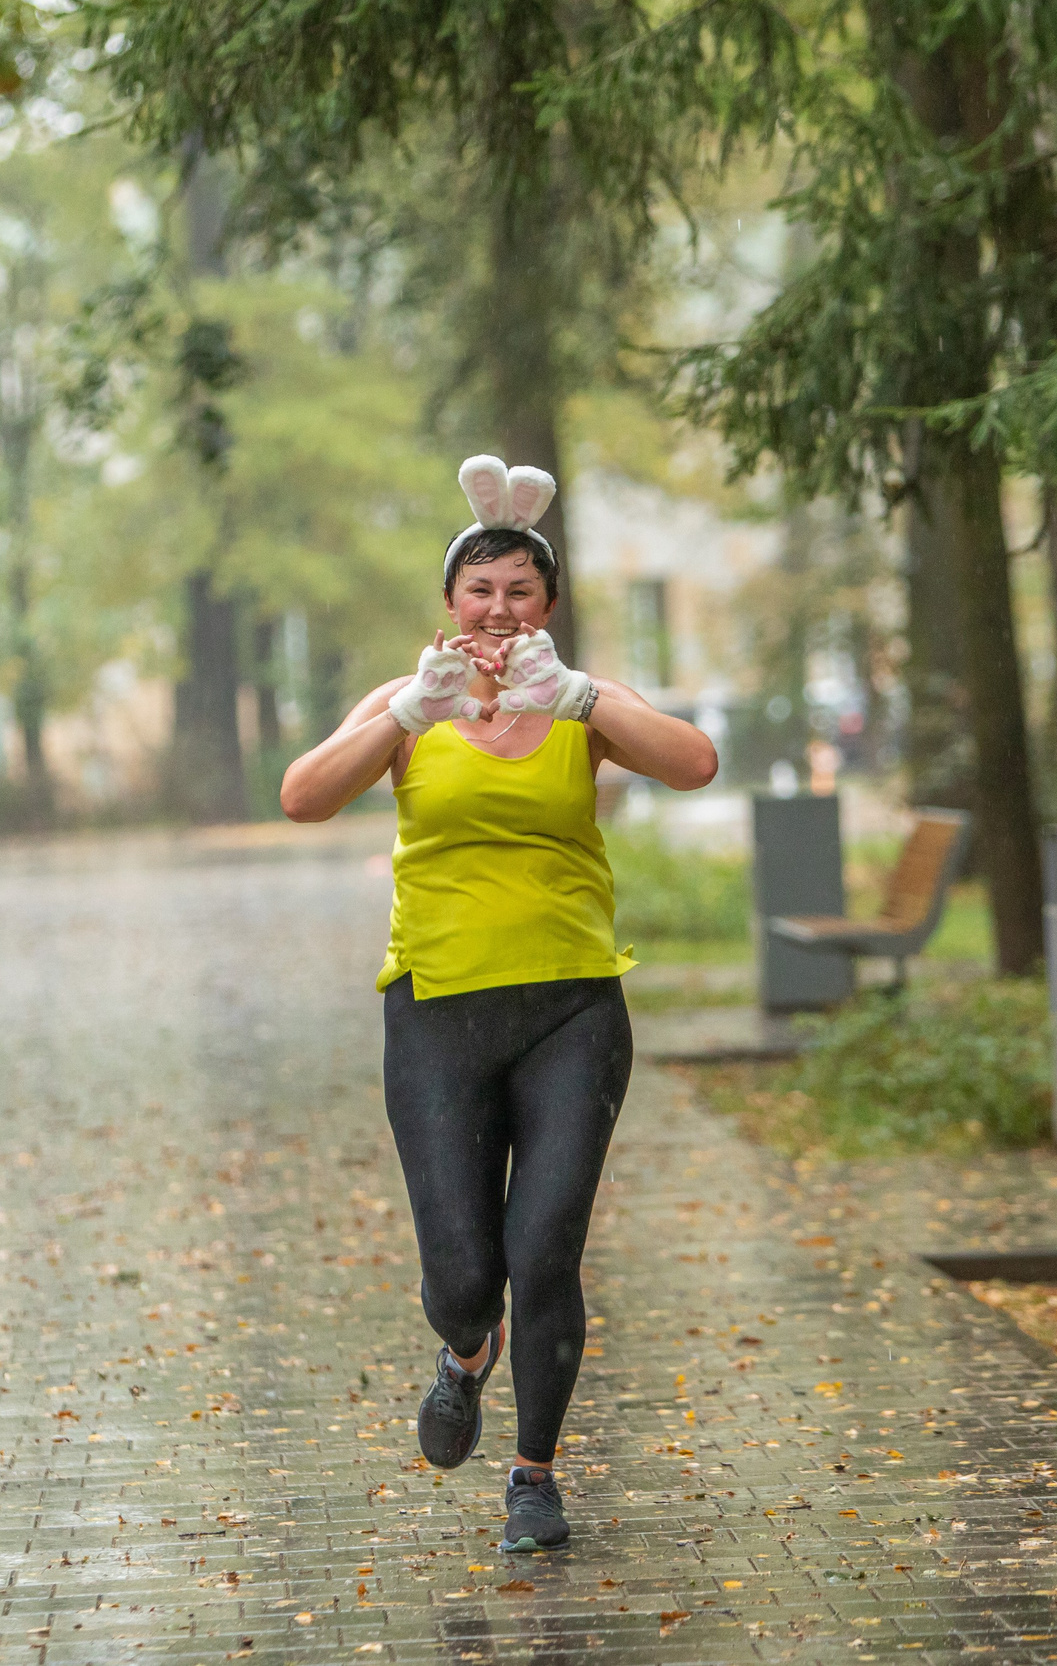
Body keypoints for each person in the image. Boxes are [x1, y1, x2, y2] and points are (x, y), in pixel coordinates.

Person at [280, 455, 718, 1552]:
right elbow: (302, 797)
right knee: (468, 1278)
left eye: (521, 588)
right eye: (479, 588)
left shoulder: (582, 702)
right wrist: (402, 713)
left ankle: (534, 1476)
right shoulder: (407, 706)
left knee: (546, 1250)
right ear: (449, 602)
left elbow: (696, 763)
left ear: (548, 606)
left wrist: (581, 699)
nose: (499, 606)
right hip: (436, 1013)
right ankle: (465, 1351)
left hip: (572, 1012)